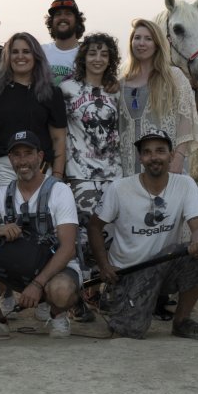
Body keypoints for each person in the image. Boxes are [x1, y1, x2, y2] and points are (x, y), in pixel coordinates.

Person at [87, 129, 198, 340]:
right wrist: (104, 265)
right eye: (147, 152)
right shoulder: (119, 188)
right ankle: (128, 304)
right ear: (140, 158)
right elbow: (94, 226)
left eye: (160, 151)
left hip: (165, 266)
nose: (154, 157)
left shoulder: (185, 184)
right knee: (129, 331)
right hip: (129, 273)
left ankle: (182, 321)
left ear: (171, 155)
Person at [0, 131, 84, 341]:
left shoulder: (59, 191)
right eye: (17, 155)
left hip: (54, 271)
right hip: (19, 267)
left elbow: (68, 248)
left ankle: (58, 313)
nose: (22, 161)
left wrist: (37, 284)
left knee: (61, 291)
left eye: (28, 154)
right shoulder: (3, 194)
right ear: (10, 159)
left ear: (40, 156)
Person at [60, 33, 123, 280]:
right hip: (80, 174)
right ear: (83, 56)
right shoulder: (66, 89)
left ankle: (105, 290)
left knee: (111, 235)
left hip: (113, 174)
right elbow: (58, 130)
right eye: (93, 53)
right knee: (84, 236)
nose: (98, 59)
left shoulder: (117, 91)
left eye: (104, 54)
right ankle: (83, 292)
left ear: (111, 60)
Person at [118, 19, 198, 176]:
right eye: (137, 38)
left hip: (166, 167)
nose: (141, 43)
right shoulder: (121, 82)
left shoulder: (174, 77)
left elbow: (186, 118)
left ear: (157, 44)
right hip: (128, 169)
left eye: (148, 39)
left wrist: (178, 158)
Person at [0, 32, 68, 187]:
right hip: (3, 168)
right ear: (7, 57)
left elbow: (59, 138)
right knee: (5, 211)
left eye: (26, 52)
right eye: (14, 52)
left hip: (40, 167)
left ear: (36, 55)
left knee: (40, 212)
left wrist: (57, 175)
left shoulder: (51, 92)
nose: (20, 56)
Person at [42, 0, 86, 85]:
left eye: (68, 14)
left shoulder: (87, 54)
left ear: (77, 21)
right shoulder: (40, 52)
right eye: (58, 14)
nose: (62, 17)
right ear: (51, 21)